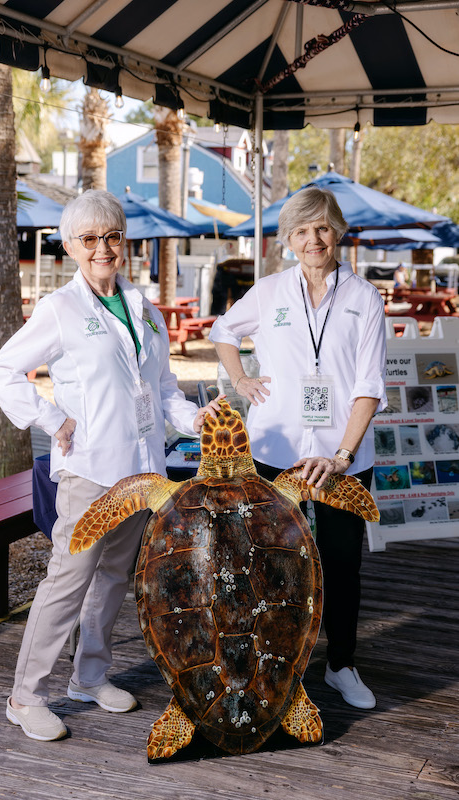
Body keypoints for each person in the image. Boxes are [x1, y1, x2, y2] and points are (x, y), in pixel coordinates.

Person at [0, 190, 221, 741]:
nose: (102, 248)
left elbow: (162, 388)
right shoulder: (60, 309)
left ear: (124, 241)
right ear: (69, 247)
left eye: (111, 236)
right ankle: (25, 696)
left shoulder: (146, 310)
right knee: (67, 581)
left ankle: (88, 677)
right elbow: (0, 371)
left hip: (142, 471)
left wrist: (194, 419)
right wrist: (50, 419)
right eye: (88, 238)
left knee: (115, 575)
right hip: (89, 470)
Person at [209, 186, 387, 710]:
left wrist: (342, 456)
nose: (314, 239)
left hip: (341, 459)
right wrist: (240, 379)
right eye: (303, 231)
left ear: (339, 232)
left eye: (323, 228)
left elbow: (369, 386)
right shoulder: (269, 292)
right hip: (275, 449)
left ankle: (341, 665)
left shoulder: (364, 298)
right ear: (288, 239)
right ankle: (275, 665)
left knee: (341, 564)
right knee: (270, 563)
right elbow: (223, 330)